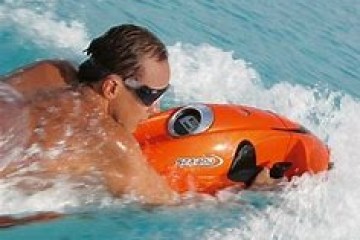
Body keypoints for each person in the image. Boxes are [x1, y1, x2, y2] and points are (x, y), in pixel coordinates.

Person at [0, 24, 177, 205]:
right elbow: (166, 203)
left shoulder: (50, 69)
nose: (155, 109)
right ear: (111, 87)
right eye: (150, 96)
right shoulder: (109, 141)